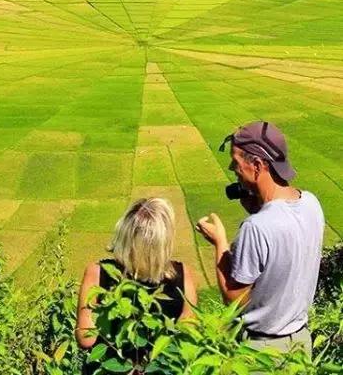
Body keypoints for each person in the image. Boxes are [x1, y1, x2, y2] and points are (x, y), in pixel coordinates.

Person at [196, 120, 324, 356]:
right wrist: (259, 210)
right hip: (301, 345)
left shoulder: (255, 228)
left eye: (236, 164)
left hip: (262, 352)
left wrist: (220, 243)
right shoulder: (311, 203)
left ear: (257, 165)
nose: (233, 169)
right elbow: (282, 240)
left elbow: (235, 300)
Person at [75, 198, 197, 372]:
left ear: (124, 233)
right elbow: (187, 339)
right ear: (164, 240)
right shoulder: (184, 275)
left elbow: (85, 339)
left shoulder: (97, 273)